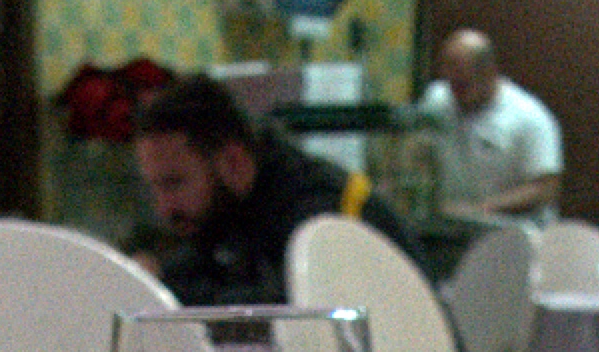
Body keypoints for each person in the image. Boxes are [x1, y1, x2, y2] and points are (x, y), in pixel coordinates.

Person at [130, 74, 423, 306]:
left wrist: (167, 293)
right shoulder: (226, 209)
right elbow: (197, 267)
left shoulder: (325, 209)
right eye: (155, 187)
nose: (164, 207)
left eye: (174, 183)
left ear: (233, 162)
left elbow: (292, 313)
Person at [416, 29, 561, 223]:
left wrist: (482, 209)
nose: (455, 92)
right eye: (450, 80)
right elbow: (417, 151)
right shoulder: (435, 99)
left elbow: (545, 188)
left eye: (464, 84)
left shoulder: (529, 118)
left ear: (489, 72)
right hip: (452, 225)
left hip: (515, 229)